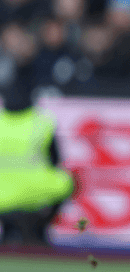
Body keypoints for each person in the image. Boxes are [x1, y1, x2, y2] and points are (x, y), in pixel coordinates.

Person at [0, 83, 74, 245]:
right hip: (34, 194)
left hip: (2, 196)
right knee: (69, 182)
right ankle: (42, 224)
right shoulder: (41, 122)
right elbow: (55, 160)